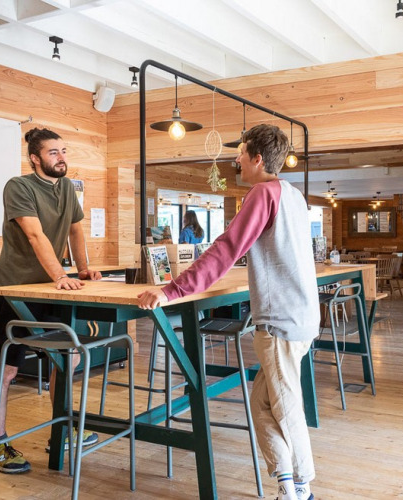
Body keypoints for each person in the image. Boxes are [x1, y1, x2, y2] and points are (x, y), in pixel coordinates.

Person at [137, 124, 319, 500]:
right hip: (301, 315)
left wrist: (172, 289)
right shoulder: (294, 195)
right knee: (263, 402)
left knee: (285, 407)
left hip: (281, 320)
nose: (235, 159)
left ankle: (301, 487)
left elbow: (226, 249)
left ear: (256, 158)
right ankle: (287, 482)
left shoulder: (262, 193)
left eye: (240, 152)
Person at [0, 127, 102, 474]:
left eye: (63, 151)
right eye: (53, 152)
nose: (61, 157)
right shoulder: (18, 187)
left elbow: (76, 228)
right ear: (35, 158)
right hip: (15, 291)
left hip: (52, 289)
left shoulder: (67, 187)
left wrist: (82, 270)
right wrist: (60, 275)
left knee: (66, 361)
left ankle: (62, 433)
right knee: (6, 371)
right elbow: (34, 234)